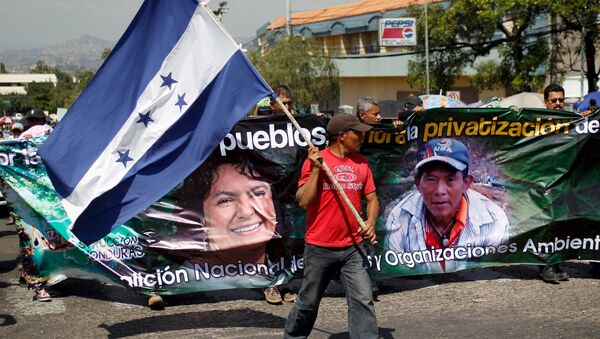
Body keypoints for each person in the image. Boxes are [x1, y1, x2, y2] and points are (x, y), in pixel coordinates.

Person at [150, 150, 295, 304]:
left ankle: (273, 284)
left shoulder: (288, 259)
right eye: (225, 201)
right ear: (200, 215)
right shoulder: (184, 274)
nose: (246, 212)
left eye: (258, 193)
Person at [284, 113, 379, 339]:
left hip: (353, 248)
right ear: (342, 136)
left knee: (363, 299)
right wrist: (316, 170)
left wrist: (371, 222)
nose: (362, 136)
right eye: (357, 132)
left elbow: (373, 199)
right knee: (308, 302)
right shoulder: (316, 160)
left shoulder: (362, 163)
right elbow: (304, 201)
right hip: (319, 247)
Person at [385, 138, 509, 274]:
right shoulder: (399, 217)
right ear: (417, 183)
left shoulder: (494, 220)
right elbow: (396, 270)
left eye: (450, 179)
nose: (440, 191)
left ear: (466, 183)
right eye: (431, 179)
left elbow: (491, 273)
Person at [540, 83, 570, 283]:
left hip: (566, 182)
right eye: (554, 100)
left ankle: (557, 263)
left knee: (562, 225)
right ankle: (546, 267)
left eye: (561, 100)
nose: (558, 104)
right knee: (547, 225)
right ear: (545, 103)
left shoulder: (573, 120)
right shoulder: (536, 122)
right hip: (544, 181)